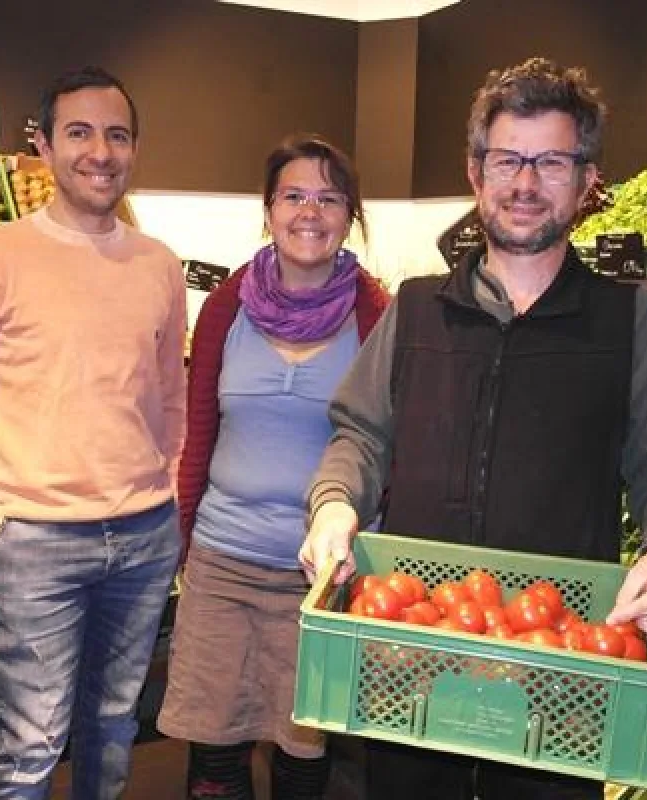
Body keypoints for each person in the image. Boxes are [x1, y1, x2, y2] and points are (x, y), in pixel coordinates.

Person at [299, 58, 647, 800]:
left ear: (587, 180)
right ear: (476, 171)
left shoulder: (632, 323)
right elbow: (360, 434)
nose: (526, 184)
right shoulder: (418, 309)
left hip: (562, 667)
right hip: (416, 655)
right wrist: (335, 504)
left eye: (552, 161)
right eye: (508, 160)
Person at [0, 66, 186, 800]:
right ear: (41, 145)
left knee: (114, 724)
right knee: (30, 743)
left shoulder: (159, 265)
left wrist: (163, 489)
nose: (100, 151)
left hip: (142, 536)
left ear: (134, 148)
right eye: (79, 132)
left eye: (117, 134)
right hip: (34, 542)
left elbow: (171, 396)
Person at [157, 135, 390, 800]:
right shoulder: (228, 305)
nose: (308, 211)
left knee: (303, 750)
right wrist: (183, 533)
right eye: (293, 195)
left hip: (323, 574)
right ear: (268, 210)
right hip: (223, 560)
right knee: (214, 748)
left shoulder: (376, 315)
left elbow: (385, 443)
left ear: (350, 216)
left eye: (328, 197)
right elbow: (200, 428)